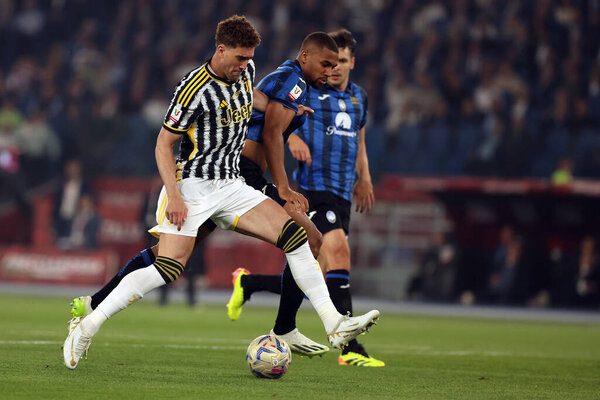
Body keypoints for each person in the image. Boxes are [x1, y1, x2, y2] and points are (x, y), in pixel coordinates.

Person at [63, 16, 379, 369]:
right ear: (221, 50)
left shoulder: (244, 72)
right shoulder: (193, 88)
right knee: (167, 266)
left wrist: (282, 109)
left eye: (249, 59)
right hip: (193, 185)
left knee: (295, 235)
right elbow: (163, 145)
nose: (245, 66)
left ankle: (334, 325)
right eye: (240, 59)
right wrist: (175, 194)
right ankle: (88, 325)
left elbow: (251, 95)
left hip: (231, 184)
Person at [227, 29, 384, 367]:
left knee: (313, 255)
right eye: (329, 63)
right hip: (311, 186)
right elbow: (267, 114)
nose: (333, 69)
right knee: (328, 248)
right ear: (309, 58)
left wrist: (364, 176)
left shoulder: (356, 98)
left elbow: (360, 138)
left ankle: (259, 295)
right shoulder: (301, 84)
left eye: (339, 62)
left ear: (351, 63)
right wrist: (287, 137)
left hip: (340, 188)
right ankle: (347, 344)